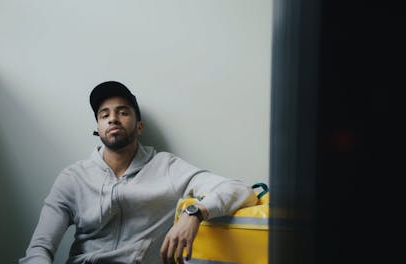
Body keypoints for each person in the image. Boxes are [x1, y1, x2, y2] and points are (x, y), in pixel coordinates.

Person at [19, 81, 258, 264]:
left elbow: (239, 189)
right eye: (104, 114)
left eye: (123, 112)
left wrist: (194, 213)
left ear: (139, 126)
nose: (113, 118)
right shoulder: (73, 178)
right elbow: (40, 248)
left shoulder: (167, 167)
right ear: (98, 128)